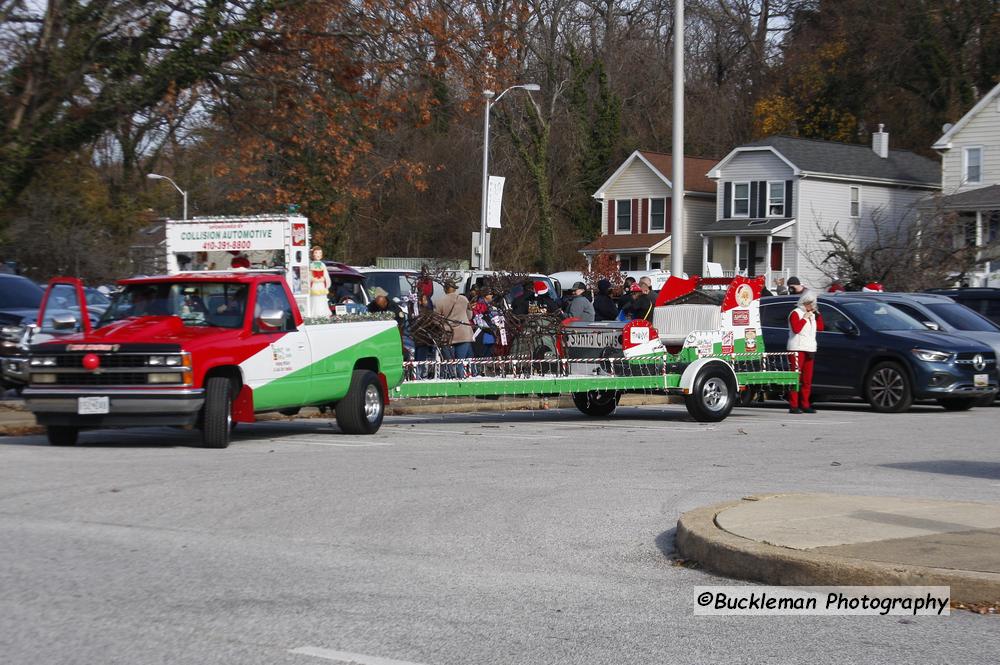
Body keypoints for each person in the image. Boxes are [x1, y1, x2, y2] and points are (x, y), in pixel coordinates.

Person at [787, 291, 823, 414]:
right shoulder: (796, 313)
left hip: (810, 348)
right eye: (811, 304)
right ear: (805, 303)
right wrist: (804, 319)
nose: (812, 307)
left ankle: (805, 404)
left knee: (807, 379)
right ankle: (793, 405)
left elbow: (821, 328)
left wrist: (817, 316)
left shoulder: (812, 315)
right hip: (797, 348)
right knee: (795, 378)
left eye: (814, 304)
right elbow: (796, 329)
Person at [435, 279, 474, 378]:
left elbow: (436, 320)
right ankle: (461, 382)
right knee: (460, 362)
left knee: (449, 362)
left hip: (448, 334)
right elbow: (469, 316)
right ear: (455, 289)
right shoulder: (464, 299)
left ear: (445, 289)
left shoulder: (439, 301)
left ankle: (451, 380)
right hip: (464, 333)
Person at [308, 247, 332, 317]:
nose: (318, 254)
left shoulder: (322, 265)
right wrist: (312, 279)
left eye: (320, 253)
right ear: (313, 254)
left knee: (322, 299)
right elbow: (308, 275)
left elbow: (326, 275)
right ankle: (314, 314)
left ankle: (322, 313)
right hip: (314, 285)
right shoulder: (311, 265)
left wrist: (324, 279)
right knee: (314, 299)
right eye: (316, 253)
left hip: (321, 284)